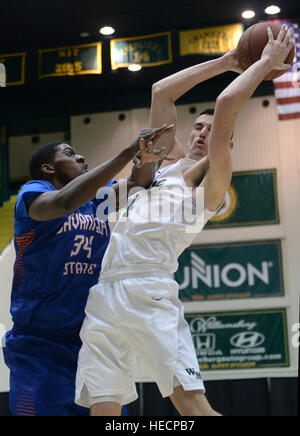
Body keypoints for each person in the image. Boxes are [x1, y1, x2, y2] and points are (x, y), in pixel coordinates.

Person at [75, 25, 294, 416]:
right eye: (197, 126)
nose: (200, 133)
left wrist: (263, 65)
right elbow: (162, 90)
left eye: (211, 132)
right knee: (103, 407)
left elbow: (227, 104)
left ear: (224, 145)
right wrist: (228, 61)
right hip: (104, 292)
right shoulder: (163, 165)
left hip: (150, 289)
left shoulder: (211, 183)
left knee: (190, 405)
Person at [2, 124, 174, 416]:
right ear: (48, 167)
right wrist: (126, 151)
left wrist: (146, 157)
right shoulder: (33, 193)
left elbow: (138, 184)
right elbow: (64, 201)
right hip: (41, 342)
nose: (81, 158)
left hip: (92, 335)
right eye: (70, 153)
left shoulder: (96, 203)